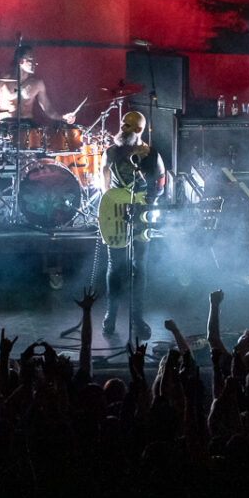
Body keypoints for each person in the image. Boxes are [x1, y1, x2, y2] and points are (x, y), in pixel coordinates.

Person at [99, 110, 165, 338]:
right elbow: (104, 186)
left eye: (128, 126)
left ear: (139, 130)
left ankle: (137, 318)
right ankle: (111, 314)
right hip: (117, 214)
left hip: (142, 215)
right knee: (114, 266)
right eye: (122, 124)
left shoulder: (151, 155)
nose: (122, 128)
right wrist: (110, 208)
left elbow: (161, 183)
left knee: (139, 267)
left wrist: (148, 204)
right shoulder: (110, 153)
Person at [0, 44, 76, 124]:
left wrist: (62, 117)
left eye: (34, 60)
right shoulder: (4, 80)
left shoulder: (37, 84)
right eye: (30, 60)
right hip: (6, 125)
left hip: (27, 126)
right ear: (20, 61)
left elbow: (48, 108)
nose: (34, 64)